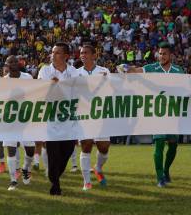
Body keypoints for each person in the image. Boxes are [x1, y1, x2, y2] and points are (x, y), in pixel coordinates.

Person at [117, 42, 183, 187]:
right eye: (159, 53)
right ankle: (160, 178)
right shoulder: (151, 68)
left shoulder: (179, 71)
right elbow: (129, 69)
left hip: (173, 113)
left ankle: (166, 171)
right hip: (157, 112)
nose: (161, 56)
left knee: (173, 145)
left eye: (164, 53)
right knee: (159, 143)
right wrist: (124, 67)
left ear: (171, 55)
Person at [37, 42, 77, 195]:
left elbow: (77, 90)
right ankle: (56, 185)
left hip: (69, 119)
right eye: (52, 52)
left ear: (66, 56)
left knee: (67, 151)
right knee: (54, 153)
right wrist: (54, 88)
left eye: (57, 53)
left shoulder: (73, 71)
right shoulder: (45, 70)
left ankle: (53, 175)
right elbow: (42, 90)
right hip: (51, 119)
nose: (53, 55)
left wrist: (56, 87)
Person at [77, 44, 111, 191]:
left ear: (93, 55)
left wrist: (106, 81)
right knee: (86, 145)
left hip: (101, 114)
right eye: (81, 53)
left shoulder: (104, 71)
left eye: (85, 52)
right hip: (83, 114)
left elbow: (113, 89)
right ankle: (87, 181)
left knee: (104, 147)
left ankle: (97, 167)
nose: (82, 55)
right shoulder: (76, 73)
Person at [2, 55, 35, 191]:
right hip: (9, 119)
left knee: (31, 150)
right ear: (6, 64)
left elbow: (35, 94)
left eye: (16, 61)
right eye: (11, 62)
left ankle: (25, 169)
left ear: (19, 63)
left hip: (26, 118)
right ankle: (13, 180)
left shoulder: (27, 77)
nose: (14, 63)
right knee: (11, 149)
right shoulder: (3, 81)